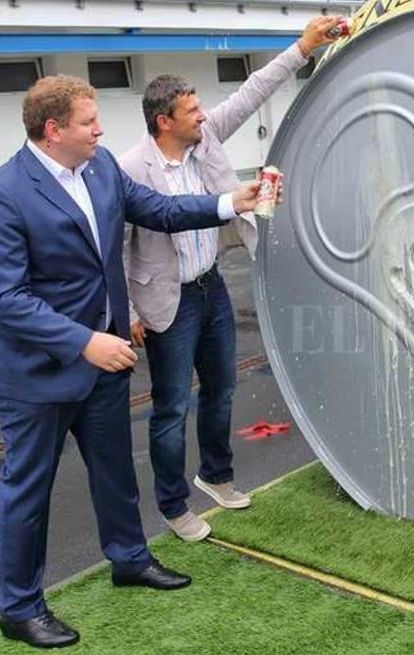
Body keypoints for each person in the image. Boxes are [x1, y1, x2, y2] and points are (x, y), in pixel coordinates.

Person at [0, 74, 262, 649]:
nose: (100, 129)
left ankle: (129, 558)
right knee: (28, 487)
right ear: (53, 131)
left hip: (103, 356)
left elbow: (158, 209)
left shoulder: (102, 166)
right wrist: (84, 341)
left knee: (113, 469)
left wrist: (230, 202)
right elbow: (5, 299)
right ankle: (20, 607)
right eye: (87, 121)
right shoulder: (2, 192)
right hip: (38, 370)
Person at [120, 16, 342, 542]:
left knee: (221, 388)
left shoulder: (207, 139)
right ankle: (174, 506)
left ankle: (215, 475)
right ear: (163, 122)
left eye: (201, 108)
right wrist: (127, 312)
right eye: (192, 111)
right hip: (166, 302)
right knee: (172, 406)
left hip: (209, 285)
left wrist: (302, 49)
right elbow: (114, 247)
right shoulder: (130, 169)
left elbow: (252, 91)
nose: (203, 116)